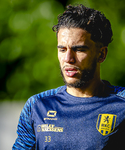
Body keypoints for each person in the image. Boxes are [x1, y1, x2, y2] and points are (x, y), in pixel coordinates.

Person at [12, 4, 125, 150]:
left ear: (101, 54)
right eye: (62, 49)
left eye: (79, 49)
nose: (68, 58)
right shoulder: (37, 106)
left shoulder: (121, 104)